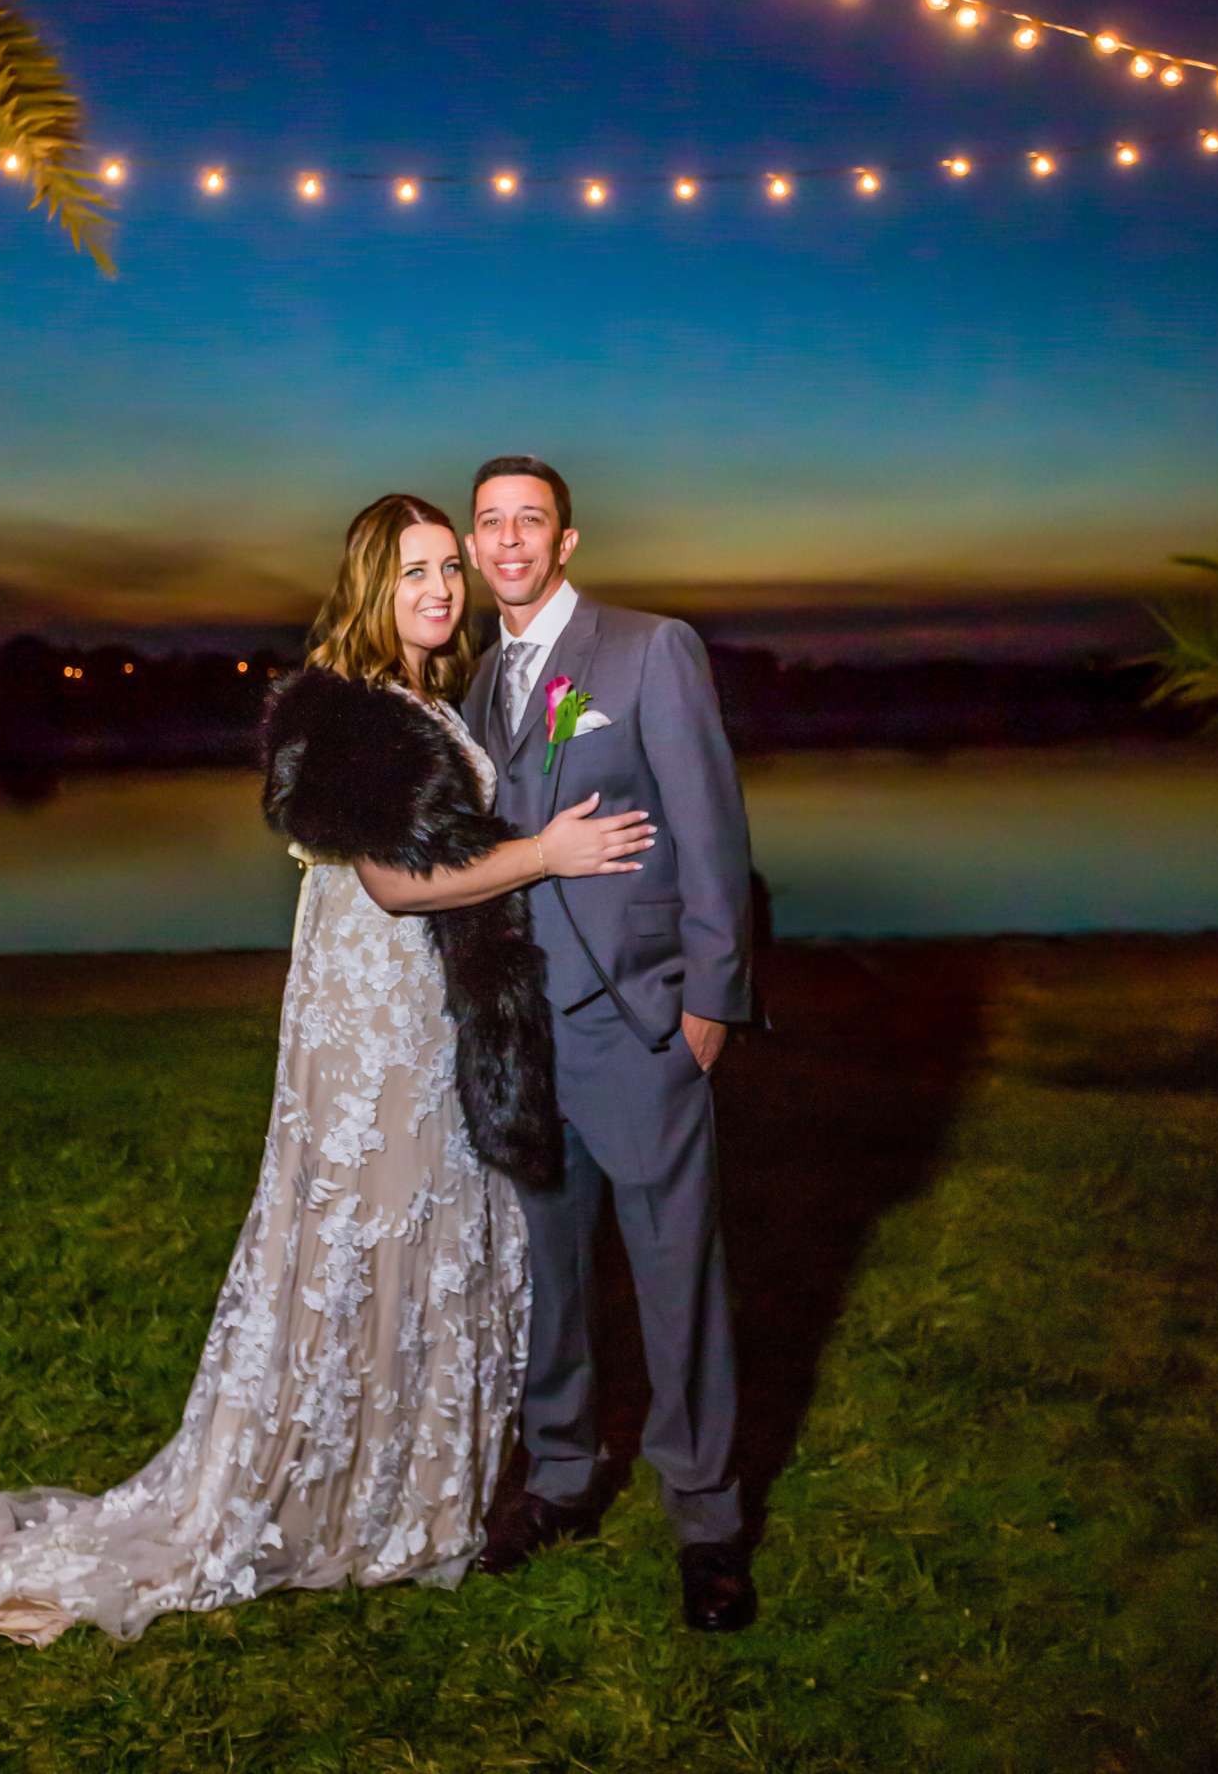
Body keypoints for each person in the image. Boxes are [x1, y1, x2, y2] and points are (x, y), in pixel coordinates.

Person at [0, 492, 652, 1644]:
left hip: (420, 997)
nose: (442, 588)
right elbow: (398, 885)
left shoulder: (419, 697)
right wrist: (545, 853)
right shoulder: (353, 711)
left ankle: (416, 1484)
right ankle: (344, 1491)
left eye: (449, 567)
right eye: (413, 572)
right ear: (366, 585)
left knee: (431, 1223)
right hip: (382, 1004)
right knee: (372, 1223)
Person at [460, 455, 768, 1635]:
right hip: (519, 1027)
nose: (508, 540)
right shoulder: (484, 678)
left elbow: (710, 824)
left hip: (638, 1018)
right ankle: (560, 1478)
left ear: (567, 541)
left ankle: (705, 1520)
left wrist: (708, 1000)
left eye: (529, 520)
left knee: (675, 1274)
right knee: (549, 1273)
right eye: (489, 522)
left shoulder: (648, 648)